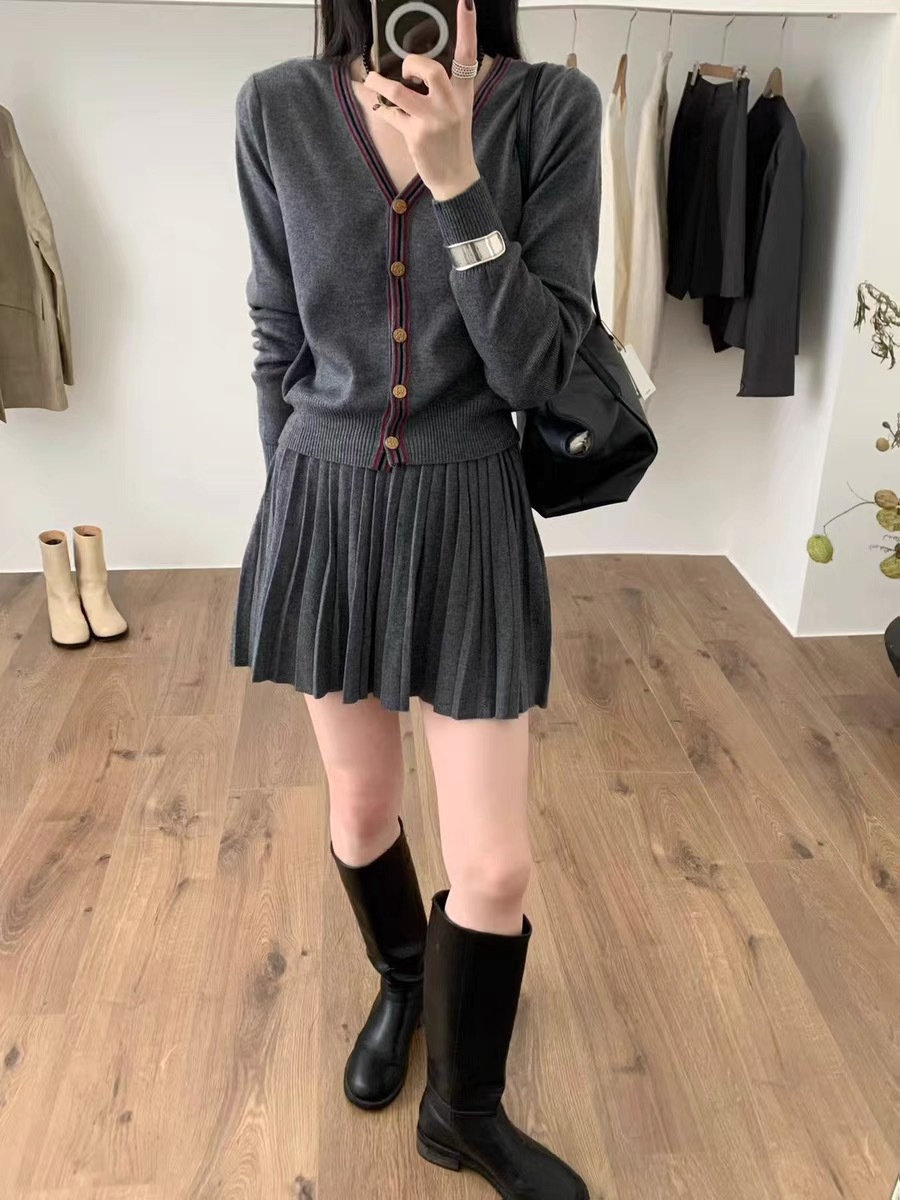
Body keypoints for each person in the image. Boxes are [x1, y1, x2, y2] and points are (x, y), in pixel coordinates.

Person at [231, 0, 601, 1195]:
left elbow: (539, 364)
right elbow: (276, 331)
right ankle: (404, 981)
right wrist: (289, 514)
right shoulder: (279, 107)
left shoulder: (551, 110)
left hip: (470, 510)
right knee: (361, 804)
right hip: (324, 503)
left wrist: (457, 183)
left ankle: (464, 1114)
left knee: (493, 869)